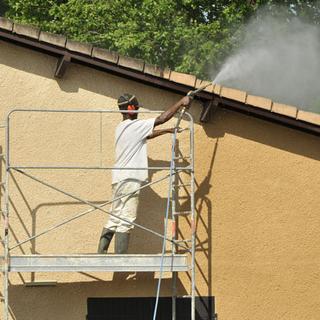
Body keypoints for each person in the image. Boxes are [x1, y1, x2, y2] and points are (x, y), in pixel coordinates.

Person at [97, 93, 191, 254]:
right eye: (137, 108)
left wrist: (168, 131)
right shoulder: (134, 125)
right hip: (130, 179)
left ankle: (102, 252)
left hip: (119, 179)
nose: (138, 111)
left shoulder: (122, 127)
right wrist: (180, 102)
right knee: (127, 218)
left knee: (115, 215)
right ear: (131, 108)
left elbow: (147, 134)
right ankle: (120, 258)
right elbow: (161, 118)